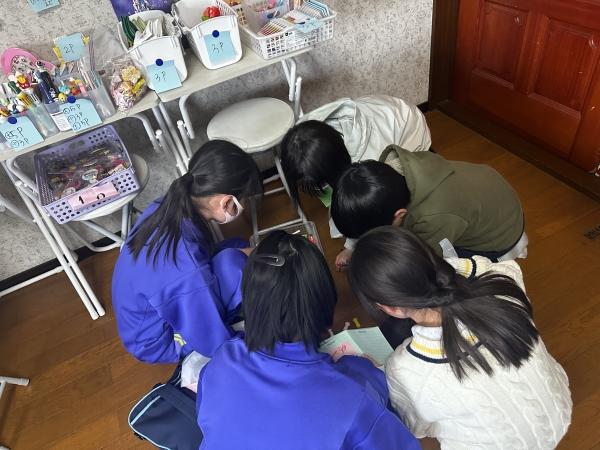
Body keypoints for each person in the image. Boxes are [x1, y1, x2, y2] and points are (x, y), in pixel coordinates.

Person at [348, 226, 572, 450]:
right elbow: (479, 267)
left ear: (391, 308)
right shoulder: (504, 278)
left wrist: (373, 372)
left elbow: (415, 427)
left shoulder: (405, 368)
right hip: (558, 411)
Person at [195, 230, 421, 450]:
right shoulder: (354, 395)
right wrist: (370, 374)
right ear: (323, 302)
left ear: (250, 298)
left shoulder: (220, 361)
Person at [112, 140, 262, 364]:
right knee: (236, 266)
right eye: (244, 201)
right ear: (226, 202)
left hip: (152, 303)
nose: (245, 205)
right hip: (158, 340)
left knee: (238, 246)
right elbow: (212, 341)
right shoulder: (185, 269)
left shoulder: (170, 203)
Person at [280, 95, 431, 268]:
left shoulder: (373, 162)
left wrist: (351, 247)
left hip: (411, 129)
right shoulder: (302, 135)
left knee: (383, 207)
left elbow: (363, 214)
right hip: (385, 112)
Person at [331, 146, 527, 268]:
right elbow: (364, 215)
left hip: (501, 232)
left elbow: (429, 261)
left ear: (399, 214)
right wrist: (351, 248)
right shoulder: (386, 173)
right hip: (487, 194)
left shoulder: (434, 217)